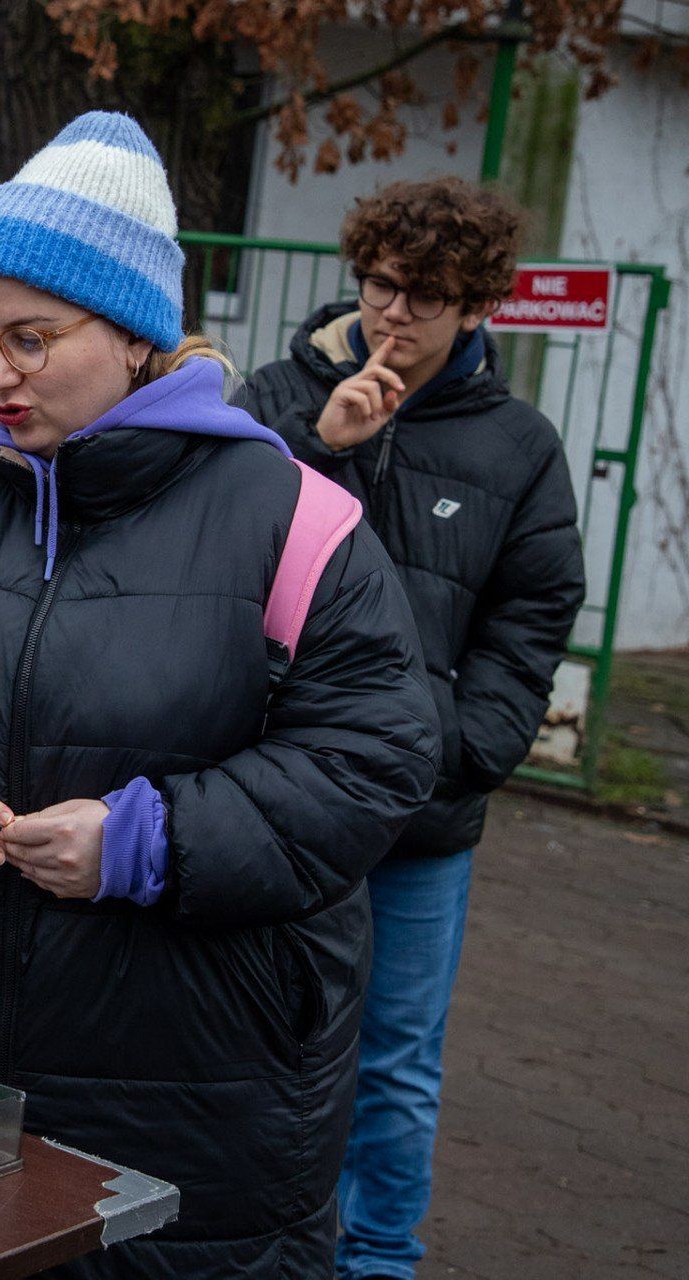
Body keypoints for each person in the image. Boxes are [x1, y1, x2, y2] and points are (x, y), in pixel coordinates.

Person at [0, 113, 440, 1278]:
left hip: (195, 1102)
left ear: (136, 337)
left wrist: (153, 838)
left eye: (32, 338)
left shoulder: (290, 518)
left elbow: (373, 756)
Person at [244, 176, 585, 1280]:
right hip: (271, 792)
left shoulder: (519, 446)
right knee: (254, 1036)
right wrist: (321, 443)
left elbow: (531, 620)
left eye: (426, 296)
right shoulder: (278, 394)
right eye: (382, 284)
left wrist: (458, 750)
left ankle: (379, 1257)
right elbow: (211, 545)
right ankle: (249, 1238)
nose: (394, 313)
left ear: (477, 304)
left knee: (392, 1061)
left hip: (421, 816)